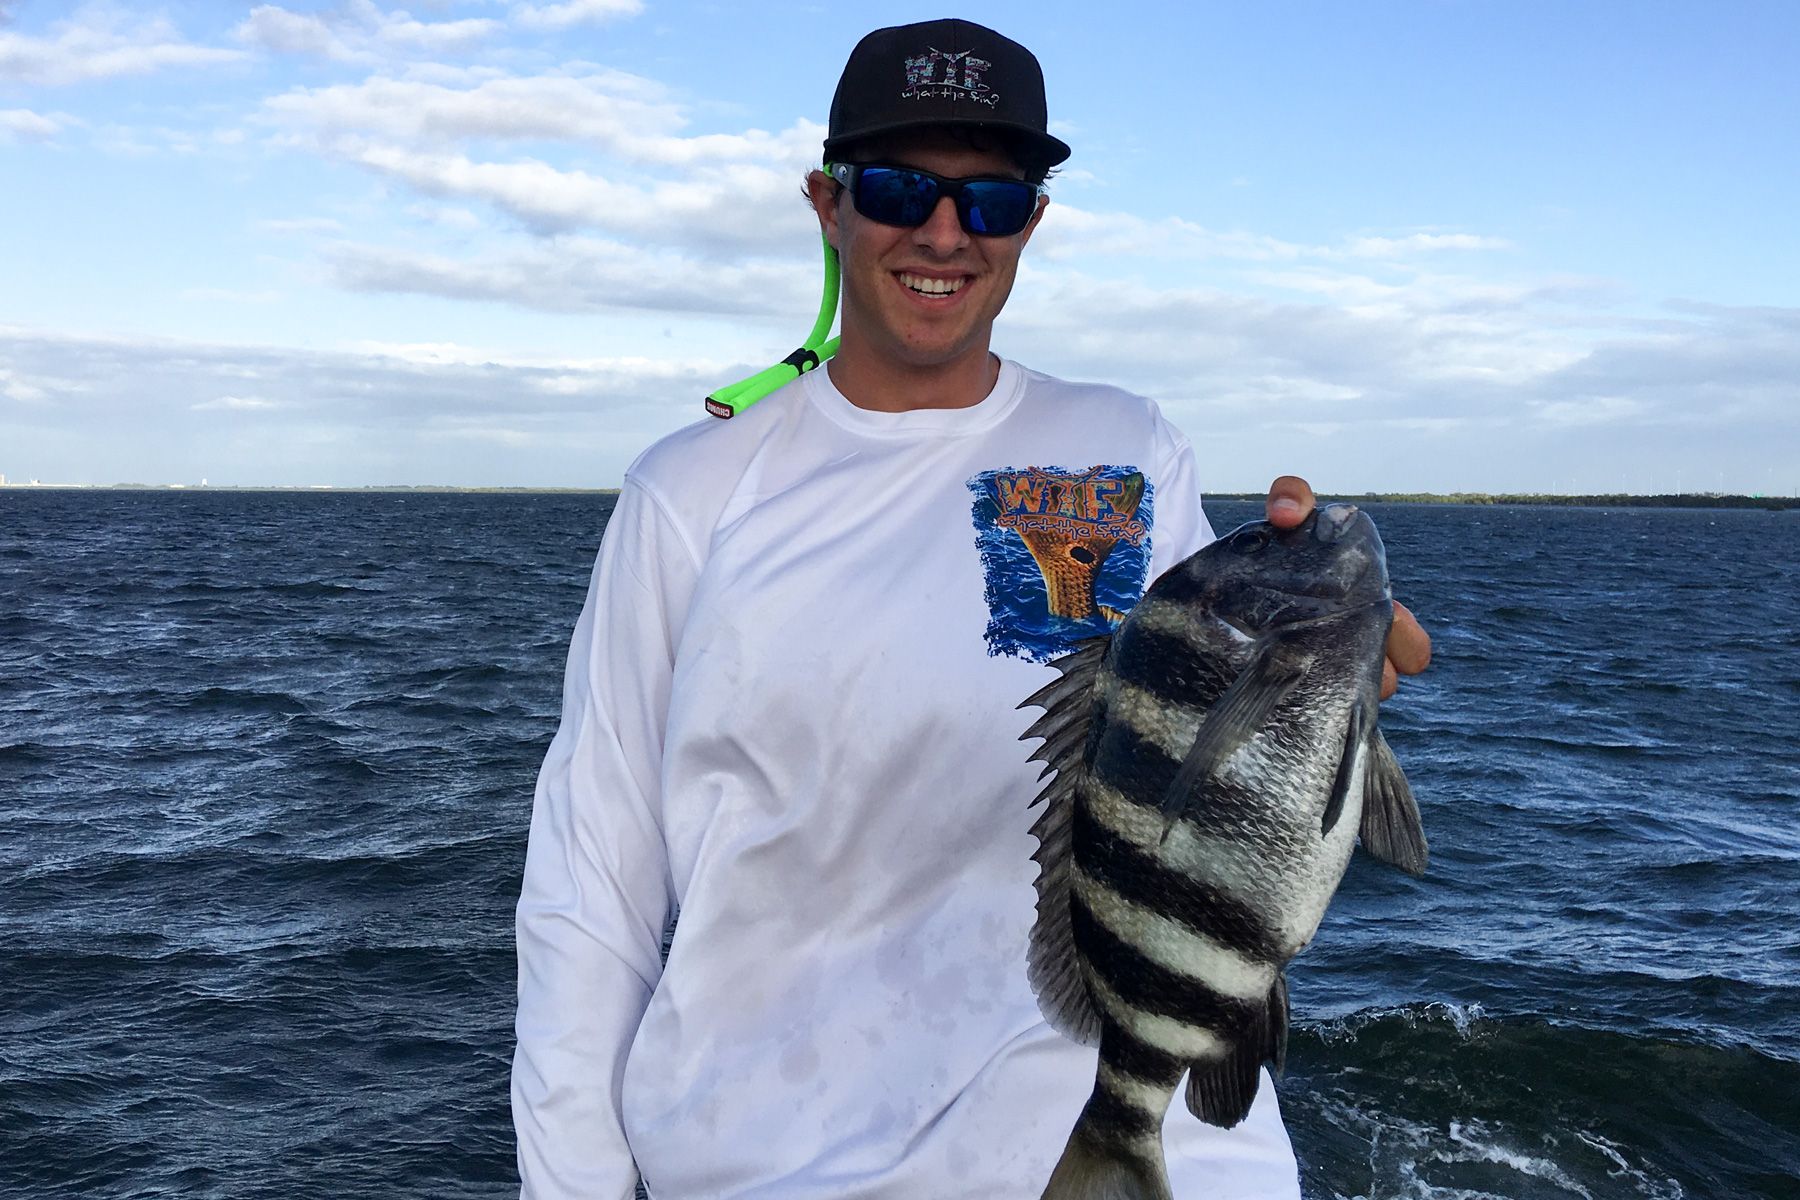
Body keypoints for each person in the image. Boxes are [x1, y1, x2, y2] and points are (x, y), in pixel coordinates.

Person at [512, 18, 1431, 1200]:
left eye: (989, 201)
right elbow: (593, 879)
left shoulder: (1131, 445)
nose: (944, 234)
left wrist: (1339, 690)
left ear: (1031, 223)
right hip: (784, 1162)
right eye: (899, 189)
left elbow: (1209, 781)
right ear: (827, 203)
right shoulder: (691, 492)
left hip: (1169, 1157)